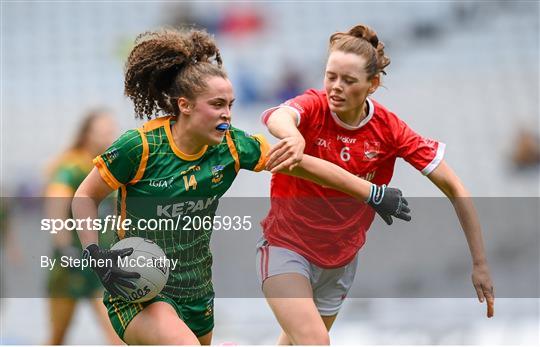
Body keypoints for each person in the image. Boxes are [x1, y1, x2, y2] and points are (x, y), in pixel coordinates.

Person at [72, 28, 410, 345]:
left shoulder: (232, 146)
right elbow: (84, 197)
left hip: (196, 289)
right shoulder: (141, 147)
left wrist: (371, 193)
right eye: (217, 105)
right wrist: (95, 256)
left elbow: (301, 163)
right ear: (184, 105)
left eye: (231, 104)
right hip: (139, 288)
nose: (227, 114)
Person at [259, 23, 495, 345]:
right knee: (316, 342)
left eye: (348, 80)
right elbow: (278, 117)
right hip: (286, 249)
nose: (335, 87)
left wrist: (480, 263)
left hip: (340, 262)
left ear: (373, 84)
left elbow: (455, 188)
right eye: (330, 76)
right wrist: (293, 136)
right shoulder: (313, 107)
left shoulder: (389, 130)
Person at [44, 110, 122, 345]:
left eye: (112, 130)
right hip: (72, 265)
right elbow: (55, 203)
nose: (111, 135)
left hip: (103, 265)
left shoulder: (110, 167)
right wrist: (65, 247)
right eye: (104, 131)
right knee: (58, 337)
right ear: (88, 134)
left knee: (117, 335)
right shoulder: (72, 167)